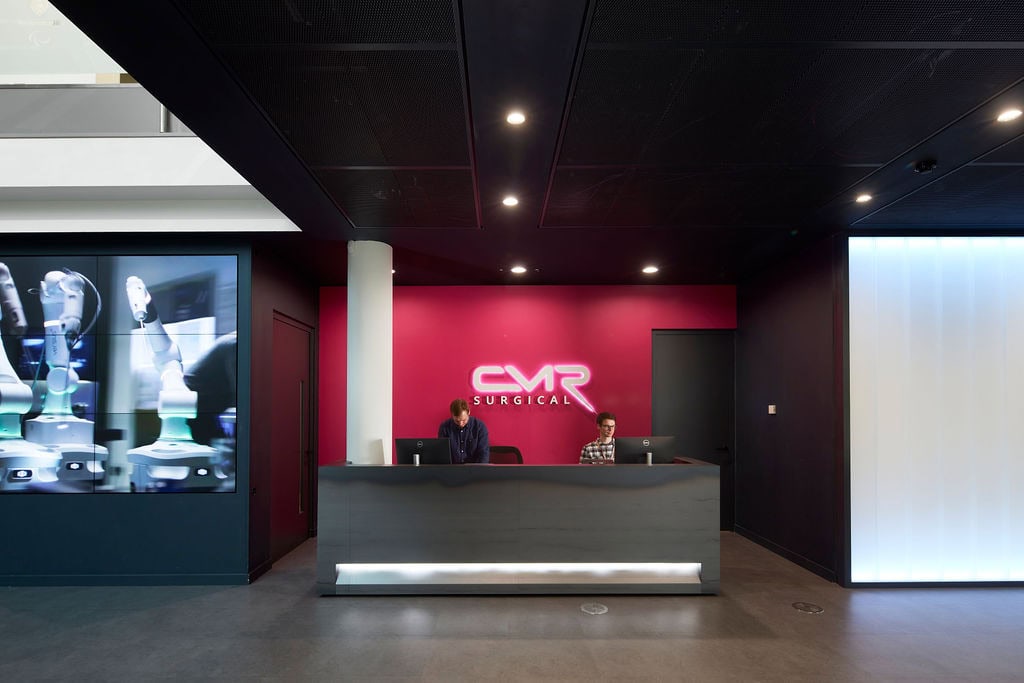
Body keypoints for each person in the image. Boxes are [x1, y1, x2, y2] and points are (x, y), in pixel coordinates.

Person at [438, 398, 489, 463]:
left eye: (464, 420)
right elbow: (443, 453)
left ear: (469, 412)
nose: (461, 424)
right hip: (452, 467)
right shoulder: (445, 427)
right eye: (457, 421)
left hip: (474, 467)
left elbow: (483, 453)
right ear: (452, 415)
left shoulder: (479, 427)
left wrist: (480, 469)